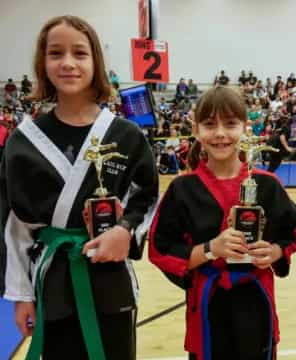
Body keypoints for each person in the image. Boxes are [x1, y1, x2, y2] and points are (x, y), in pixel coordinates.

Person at [0, 16, 158, 360]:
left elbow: (146, 197)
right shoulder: (23, 142)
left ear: (95, 63)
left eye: (80, 53)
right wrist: (21, 295)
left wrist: (126, 232)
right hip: (53, 282)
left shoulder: (126, 135)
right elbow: (16, 227)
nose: (68, 63)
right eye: (56, 53)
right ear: (43, 64)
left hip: (111, 281)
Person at [149, 86, 296, 360]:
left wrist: (274, 252)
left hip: (257, 306)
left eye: (230, 124)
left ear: (245, 127)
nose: (220, 133)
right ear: (195, 130)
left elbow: (290, 234)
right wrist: (211, 249)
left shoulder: (267, 184)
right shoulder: (182, 189)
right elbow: (161, 250)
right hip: (208, 308)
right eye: (209, 125)